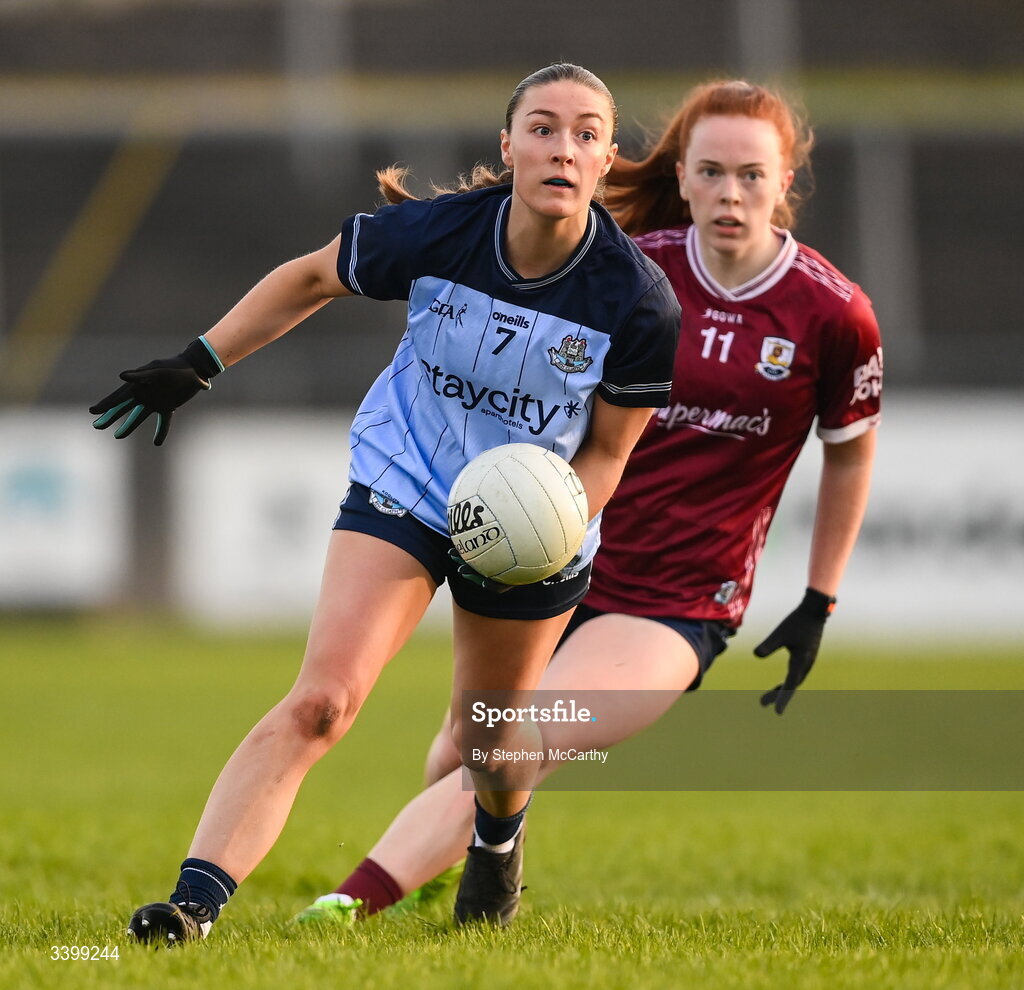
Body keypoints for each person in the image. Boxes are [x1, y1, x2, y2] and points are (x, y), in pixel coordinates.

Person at [89, 62, 681, 941]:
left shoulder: (637, 301)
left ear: (604, 161)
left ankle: (497, 838)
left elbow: (606, 452)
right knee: (323, 702)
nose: (565, 146)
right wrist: (199, 362)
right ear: (509, 145)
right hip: (408, 480)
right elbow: (309, 278)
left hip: (532, 531)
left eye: (588, 133)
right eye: (545, 128)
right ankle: (192, 908)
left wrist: (553, 528)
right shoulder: (439, 233)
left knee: (485, 742)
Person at [294, 78, 883, 925]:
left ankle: (348, 906)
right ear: (679, 178)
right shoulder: (633, 270)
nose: (729, 193)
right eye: (709, 171)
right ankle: (479, 863)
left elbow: (851, 456)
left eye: (752, 176)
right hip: (556, 557)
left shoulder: (833, 315)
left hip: (675, 604)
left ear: (785, 183)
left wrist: (820, 597)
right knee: (459, 756)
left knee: (520, 738)